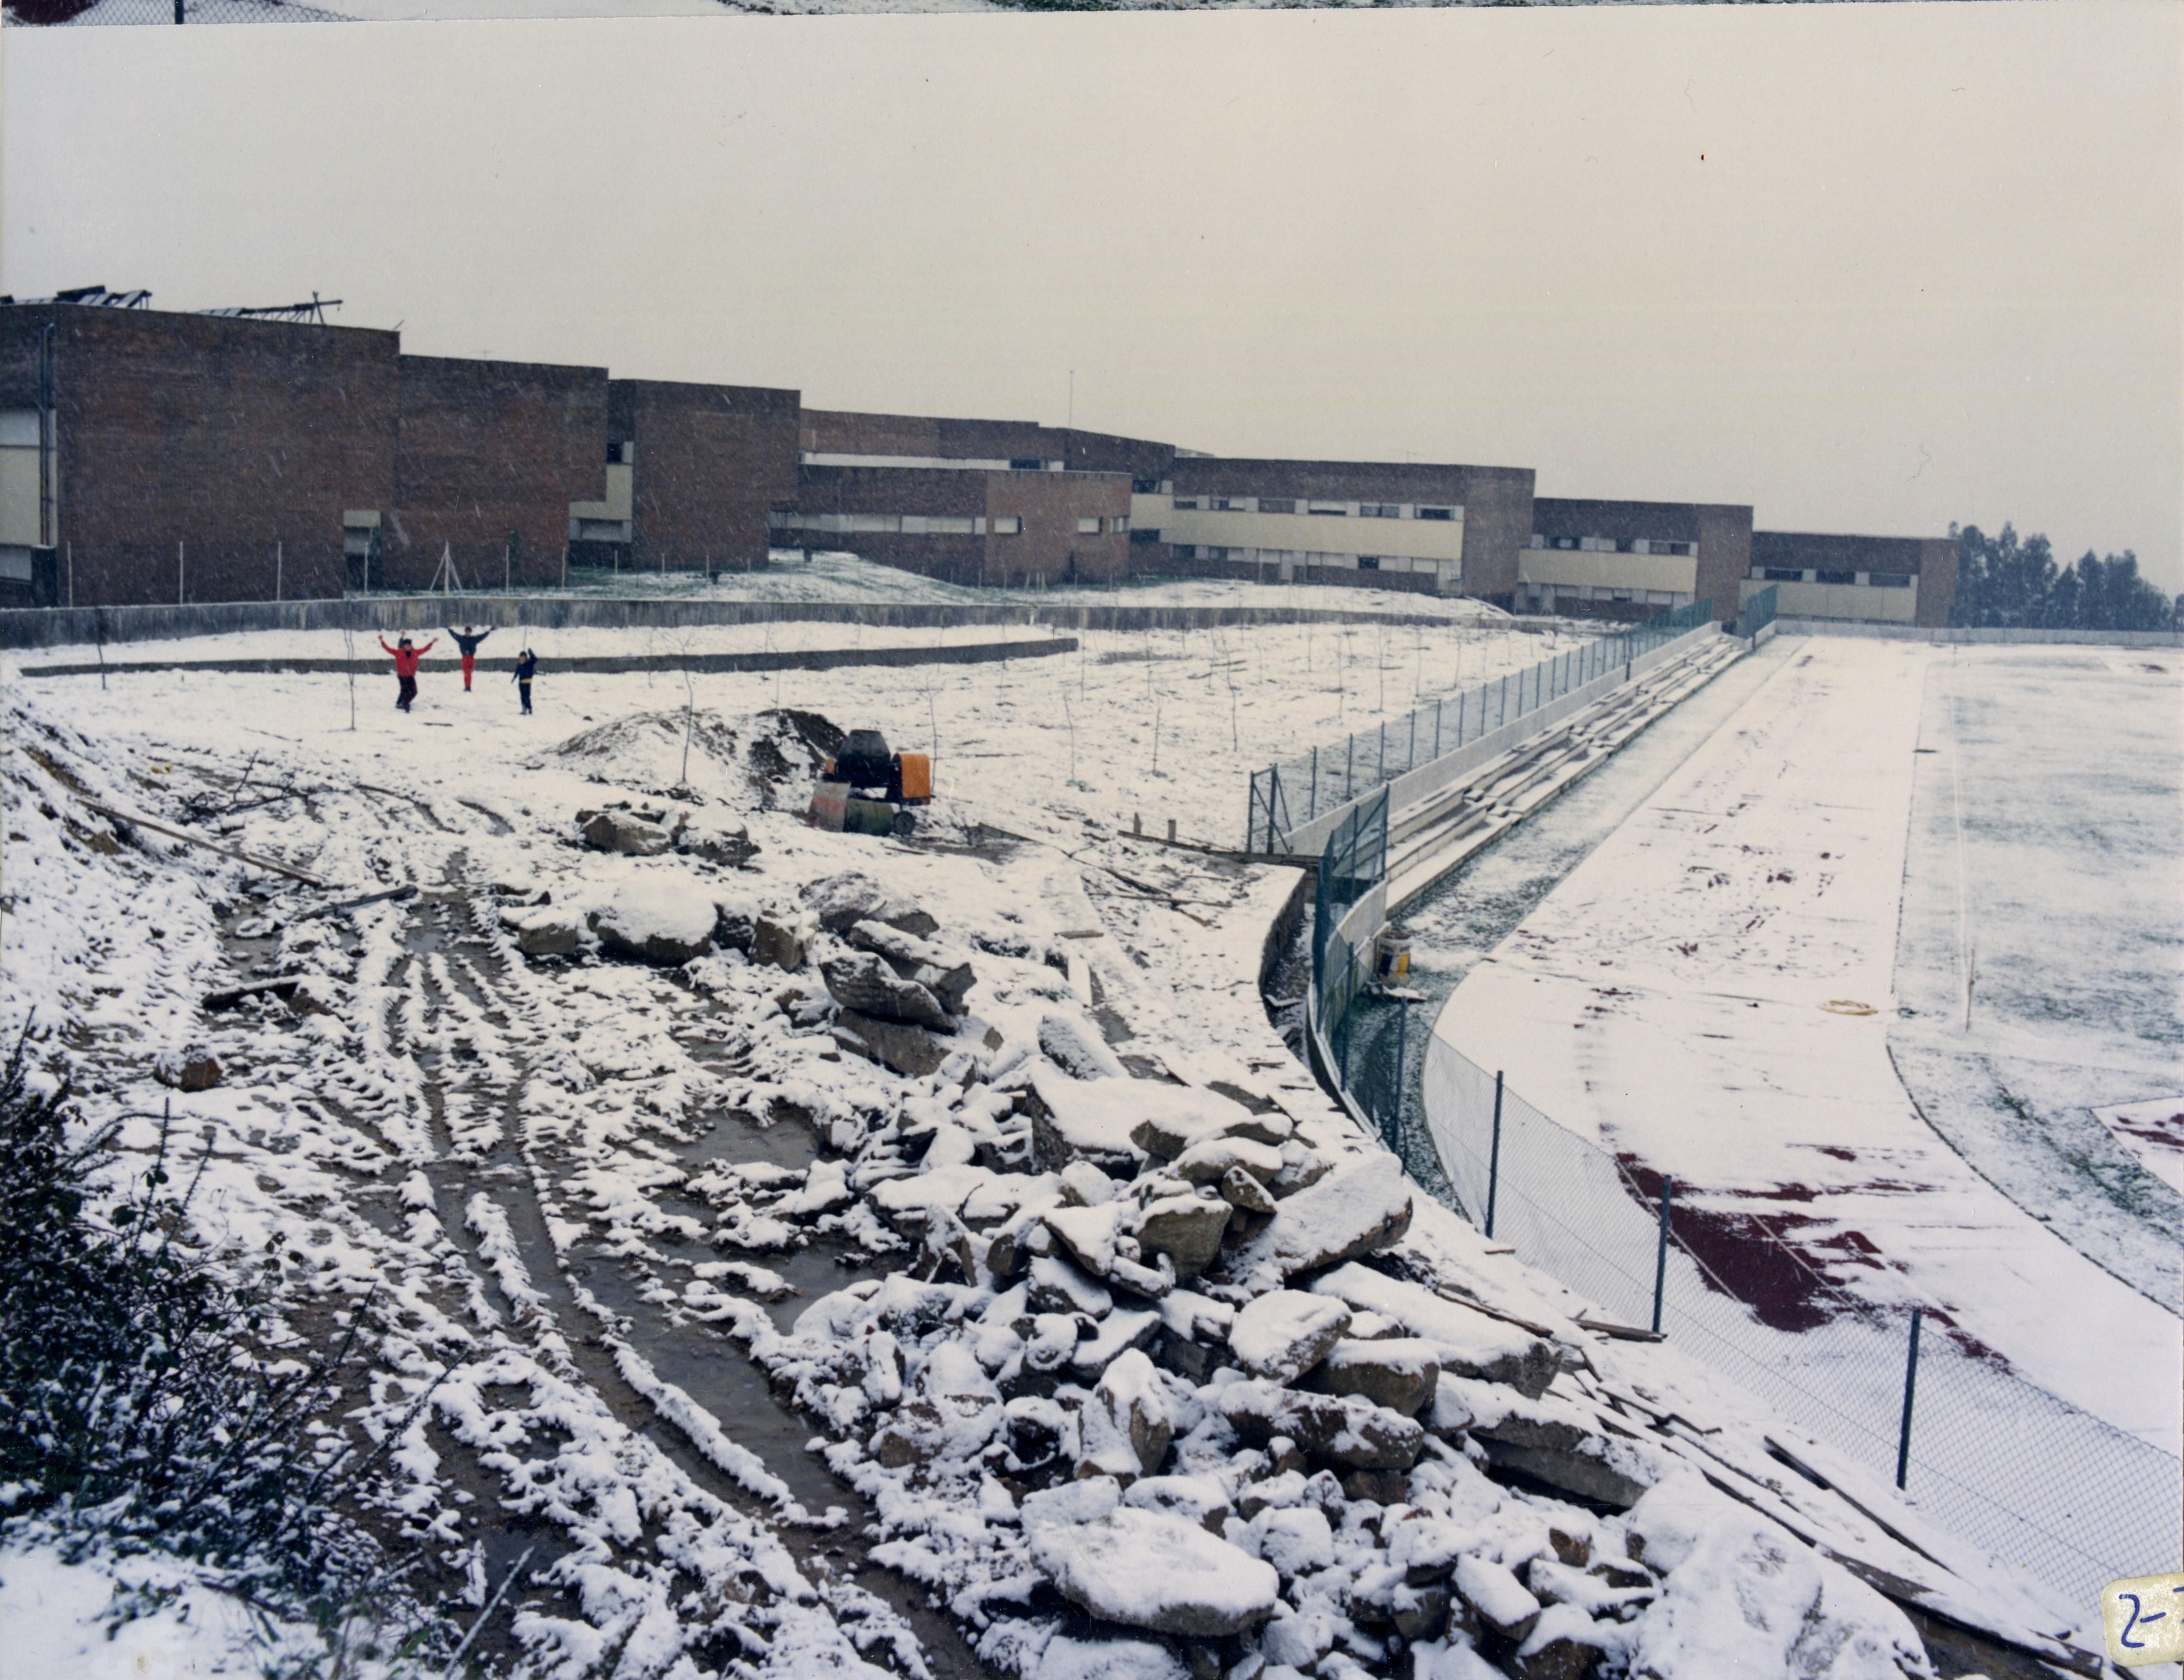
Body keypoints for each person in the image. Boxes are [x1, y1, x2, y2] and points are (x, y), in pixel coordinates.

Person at [378, 633, 436, 713]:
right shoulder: (398, 653)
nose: (408, 647)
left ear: (411, 646)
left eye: (409, 646)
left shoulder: (415, 652)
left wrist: (432, 643)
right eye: (406, 646)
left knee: (414, 692)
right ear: (403, 646)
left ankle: (402, 703)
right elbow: (388, 649)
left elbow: (425, 649)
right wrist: (382, 641)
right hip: (402, 675)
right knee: (405, 691)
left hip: (411, 675)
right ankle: (406, 707)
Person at [446, 624, 493, 692]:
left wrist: (489, 632)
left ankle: (468, 686)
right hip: (465, 657)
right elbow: (454, 635)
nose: (468, 633)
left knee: (469, 673)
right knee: (467, 673)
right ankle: (467, 687)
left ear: (471, 632)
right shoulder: (461, 639)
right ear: (465, 632)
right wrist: (449, 629)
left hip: (471, 657)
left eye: (469, 632)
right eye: (467, 632)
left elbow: (482, 637)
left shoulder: (474, 639)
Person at [512, 646, 538, 715]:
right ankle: (525, 710)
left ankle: (529, 708)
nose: (523, 658)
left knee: (527, 696)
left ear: (526, 657)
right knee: (523, 697)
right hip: (521, 683)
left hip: (528, 682)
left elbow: (535, 660)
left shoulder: (529, 663)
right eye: (521, 657)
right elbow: (517, 672)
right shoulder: (520, 664)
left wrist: (531, 653)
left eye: (524, 657)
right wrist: (514, 678)